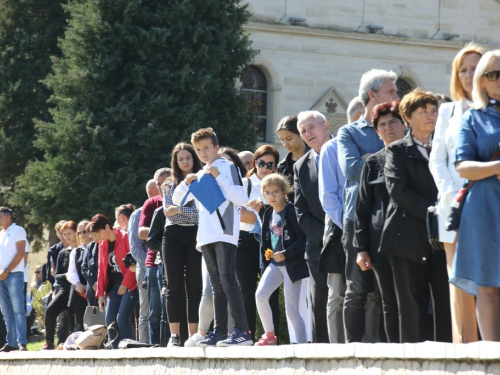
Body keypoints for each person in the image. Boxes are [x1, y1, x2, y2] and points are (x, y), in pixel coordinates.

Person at [381, 90, 452, 343]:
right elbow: (399, 191)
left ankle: (447, 361)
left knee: (446, 302)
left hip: (442, 237)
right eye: (424, 111)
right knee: (411, 307)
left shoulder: (446, 148)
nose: (431, 115)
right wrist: (437, 211)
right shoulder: (397, 151)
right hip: (406, 239)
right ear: (408, 118)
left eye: (434, 110)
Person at [173, 127, 252, 347]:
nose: (203, 153)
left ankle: (242, 331)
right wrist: (185, 183)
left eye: (206, 148)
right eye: (198, 149)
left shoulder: (227, 167)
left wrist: (220, 180)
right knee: (217, 285)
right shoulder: (198, 173)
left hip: (225, 232)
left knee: (228, 281)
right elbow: (178, 200)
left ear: (217, 147)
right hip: (206, 235)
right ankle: (219, 332)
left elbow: (240, 197)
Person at [337, 69, 399, 343]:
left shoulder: (398, 124)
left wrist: (370, 160)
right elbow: (351, 169)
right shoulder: (348, 132)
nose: (398, 97)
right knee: (357, 288)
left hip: (394, 218)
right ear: (373, 95)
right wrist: (386, 161)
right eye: (392, 92)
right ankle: (351, 349)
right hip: (357, 219)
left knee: (390, 289)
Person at [429, 43, 484, 344]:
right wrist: (455, 193)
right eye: (462, 69)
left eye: (474, 68)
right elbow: (437, 159)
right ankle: (464, 352)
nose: (467, 74)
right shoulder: (448, 110)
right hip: (454, 207)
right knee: (459, 285)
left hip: (490, 204)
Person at [451, 50, 500, 342]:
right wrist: (496, 167)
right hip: (484, 206)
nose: (498, 79)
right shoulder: (474, 118)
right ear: (480, 81)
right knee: (488, 283)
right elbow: (462, 166)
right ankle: (494, 357)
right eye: (492, 74)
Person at [353, 102, 406, 343]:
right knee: (388, 302)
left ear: (404, 124)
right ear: (376, 131)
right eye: (382, 124)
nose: (388, 128)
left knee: (413, 298)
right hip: (379, 244)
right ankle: (394, 352)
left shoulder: (415, 156)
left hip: (412, 242)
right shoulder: (373, 163)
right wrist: (361, 248)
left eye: (393, 121)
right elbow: (362, 210)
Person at [253, 174, 309, 345]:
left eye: (276, 191)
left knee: (291, 310)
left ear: (284, 192)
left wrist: (286, 253)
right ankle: (270, 335)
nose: (272, 196)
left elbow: (303, 238)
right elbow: (268, 239)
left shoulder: (291, 211)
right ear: (263, 195)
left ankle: (301, 346)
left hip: (292, 264)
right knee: (261, 295)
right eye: (267, 192)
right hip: (276, 265)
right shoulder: (268, 212)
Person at [293, 110, 332, 343]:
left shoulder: (344, 152)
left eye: (311, 127)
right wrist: (326, 236)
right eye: (303, 131)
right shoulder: (300, 166)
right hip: (318, 246)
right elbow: (300, 211)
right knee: (319, 305)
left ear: (325, 126)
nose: (308, 133)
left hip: (349, 243)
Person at [162, 142, 203, 347]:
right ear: (175, 162)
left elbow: (200, 213)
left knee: (195, 287)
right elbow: (167, 211)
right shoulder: (169, 183)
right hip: (173, 236)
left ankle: (193, 336)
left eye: (188, 157)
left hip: (197, 234)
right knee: (173, 287)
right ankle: (175, 336)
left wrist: (178, 210)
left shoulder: (202, 179)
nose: (185, 161)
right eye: (181, 159)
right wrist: (178, 211)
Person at [238, 145, 280, 342]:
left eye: (270, 164)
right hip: (245, 241)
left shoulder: (277, 186)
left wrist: (257, 213)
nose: (264, 167)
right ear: (255, 163)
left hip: (271, 242)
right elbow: (238, 214)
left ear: (275, 167)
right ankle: (247, 336)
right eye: (261, 162)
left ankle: (272, 336)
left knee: (269, 292)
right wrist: (260, 215)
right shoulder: (245, 183)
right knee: (246, 291)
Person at [92, 213, 138, 349]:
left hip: (131, 286)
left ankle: (130, 349)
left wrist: (125, 284)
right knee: (110, 321)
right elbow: (101, 270)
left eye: (99, 233)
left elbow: (133, 264)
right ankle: (116, 351)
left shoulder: (125, 237)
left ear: (107, 227)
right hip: (114, 287)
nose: (98, 237)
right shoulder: (102, 244)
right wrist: (100, 294)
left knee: (122, 319)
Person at [318, 134, 347, 344]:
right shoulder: (331, 149)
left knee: (369, 295)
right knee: (336, 294)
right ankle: (337, 346)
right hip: (337, 232)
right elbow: (328, 197)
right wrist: (348, 227)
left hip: (364, 232)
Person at [42, 221, 87, 350]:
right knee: (50, 310)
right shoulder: (63, 253)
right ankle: (49, 341)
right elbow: (57, 275)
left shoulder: (83, 250)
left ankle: (78, 341)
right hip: (65, 289)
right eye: (64, 234)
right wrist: (68, 276)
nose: (67, 237)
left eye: (69, 233)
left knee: (74, 317)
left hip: (80, 290)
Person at [139, 168, 171, 345]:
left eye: (165, 183)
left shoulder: (185, 200)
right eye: (158, 184)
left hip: (178, 261)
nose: (161, 187)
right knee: (155, 312)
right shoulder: (152, 204)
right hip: (154, 262)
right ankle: (155, 347)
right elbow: (142, 233)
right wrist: (166, 233)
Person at [0, 207, 28, 352]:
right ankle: (11, 342)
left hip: (14, 275)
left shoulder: (18, 230)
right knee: (6, 311)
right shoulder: (1, 234)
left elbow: (21, 253)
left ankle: (21, 342)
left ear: (8, 217)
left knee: (18, 310)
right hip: (1, 278)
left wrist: (7, 270)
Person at [128, 205, 149, 344]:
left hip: (164, 269)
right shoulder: (137, 215)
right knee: (145, 313)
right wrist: (151, 266)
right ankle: (145, 345)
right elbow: (135, 249)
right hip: (145, 268)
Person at [276, 115, 309, 203]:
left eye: (289, 139)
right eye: (282, 140)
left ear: (300, 134)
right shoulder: (282, 166)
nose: (285, 143)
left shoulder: (316, 158)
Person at [81, 223, 99, 307]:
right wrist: (94, 282)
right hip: (92, 290)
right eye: (90, 233)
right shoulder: (90, 246)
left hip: (105, 288)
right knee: (93, 319)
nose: (91, 235)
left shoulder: (106, 244)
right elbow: (84, 267)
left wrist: (100, 283)